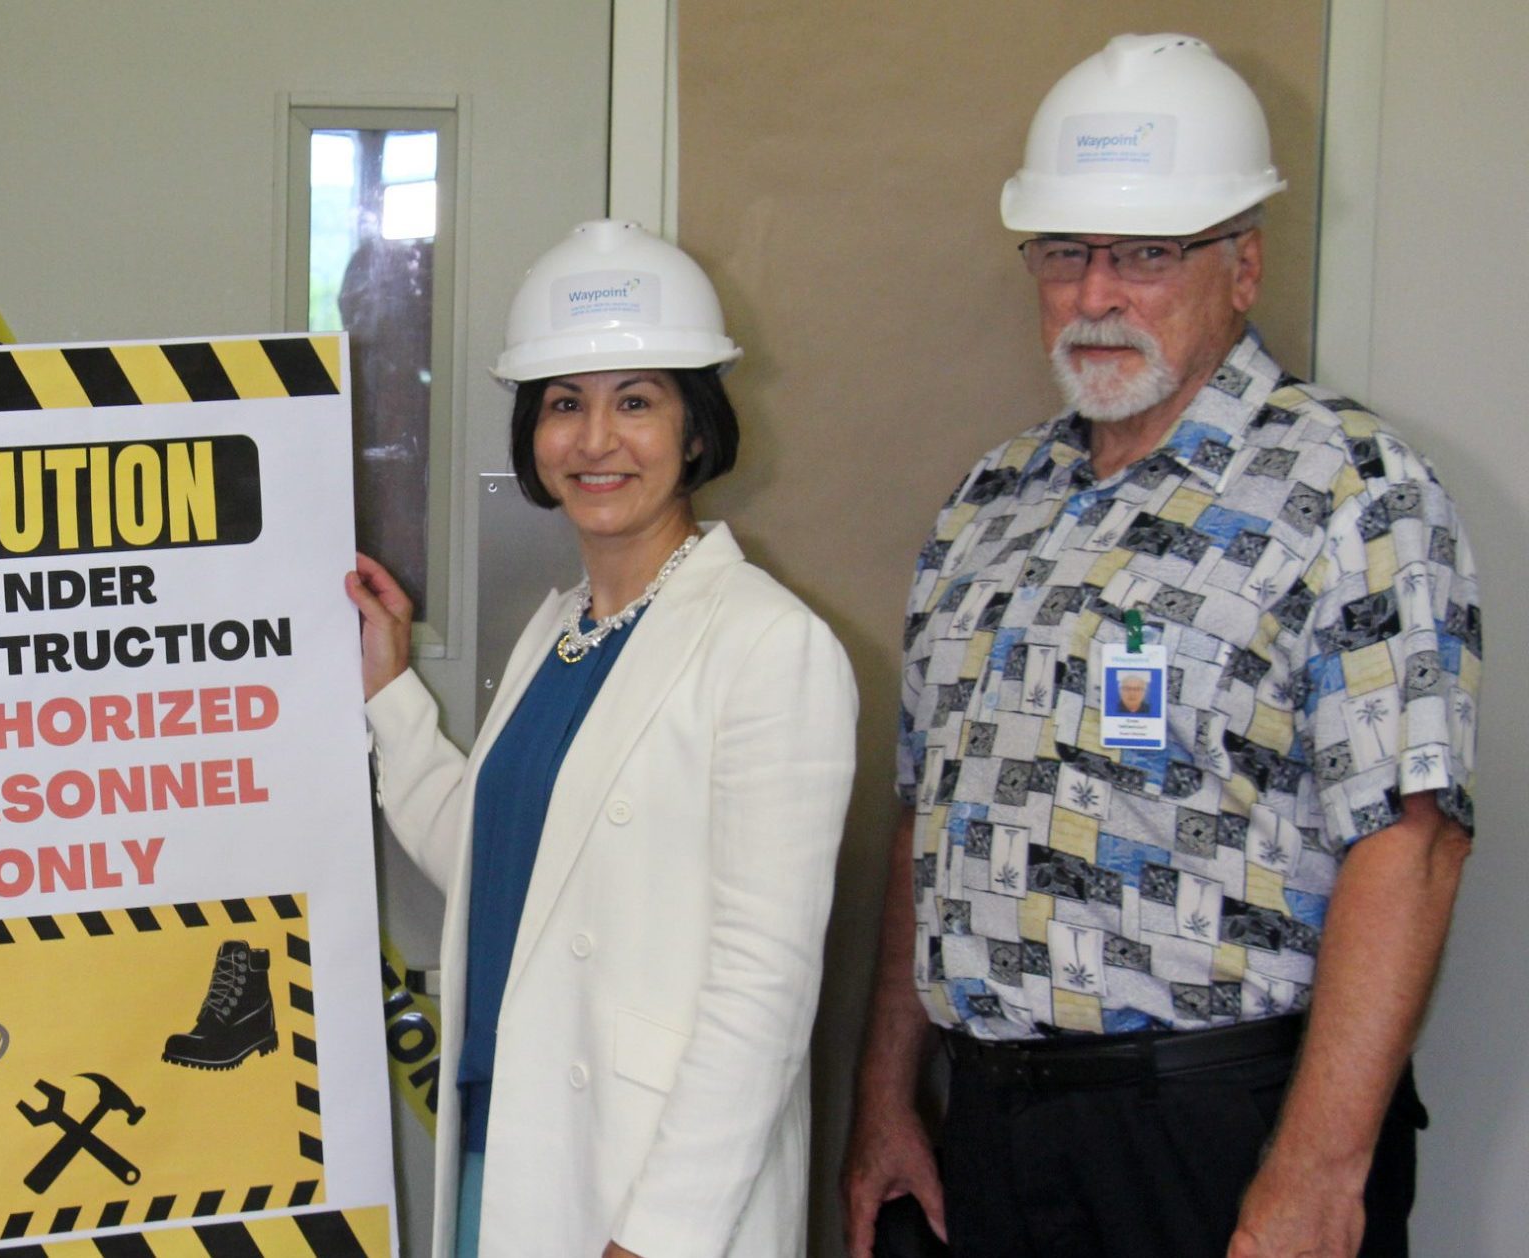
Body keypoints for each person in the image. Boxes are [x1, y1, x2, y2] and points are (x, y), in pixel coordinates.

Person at [841, 34, 1478, 1258]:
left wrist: (1316, 1174)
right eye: (1064, 252)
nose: (1095, 294)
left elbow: (1413, 841)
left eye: (1145, 253)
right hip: (993, 1126)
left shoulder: (1351, 490)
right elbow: (927, 817)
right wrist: (886, 1098)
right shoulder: (988, 503)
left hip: (1219, 1130)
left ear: (1242, 268)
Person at [347, 220, 858, 1257]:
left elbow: (762, 988)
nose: (593, 442)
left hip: (647, 1192)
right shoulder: (560, 630)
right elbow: (502, 869)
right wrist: (390, 689)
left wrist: (659, 1237)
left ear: (696, 429)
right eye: (563, 404)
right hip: (512, 1147)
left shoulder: (770, 644)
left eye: (635, 402)